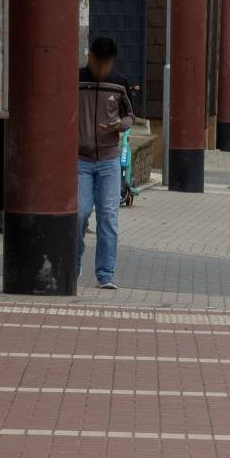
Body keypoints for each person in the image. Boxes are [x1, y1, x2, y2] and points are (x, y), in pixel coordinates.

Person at [78, 36, 134, 290]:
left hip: (109, 159)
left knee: (108, 216)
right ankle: (73, 264)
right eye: (98, 62)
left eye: (106, 64)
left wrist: (119, 125)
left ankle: (105, 273)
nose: (102, 69)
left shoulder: (119, 83)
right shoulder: (76, 79)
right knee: (79, 213)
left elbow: (130, 115)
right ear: (90, 57)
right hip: (80, 158)